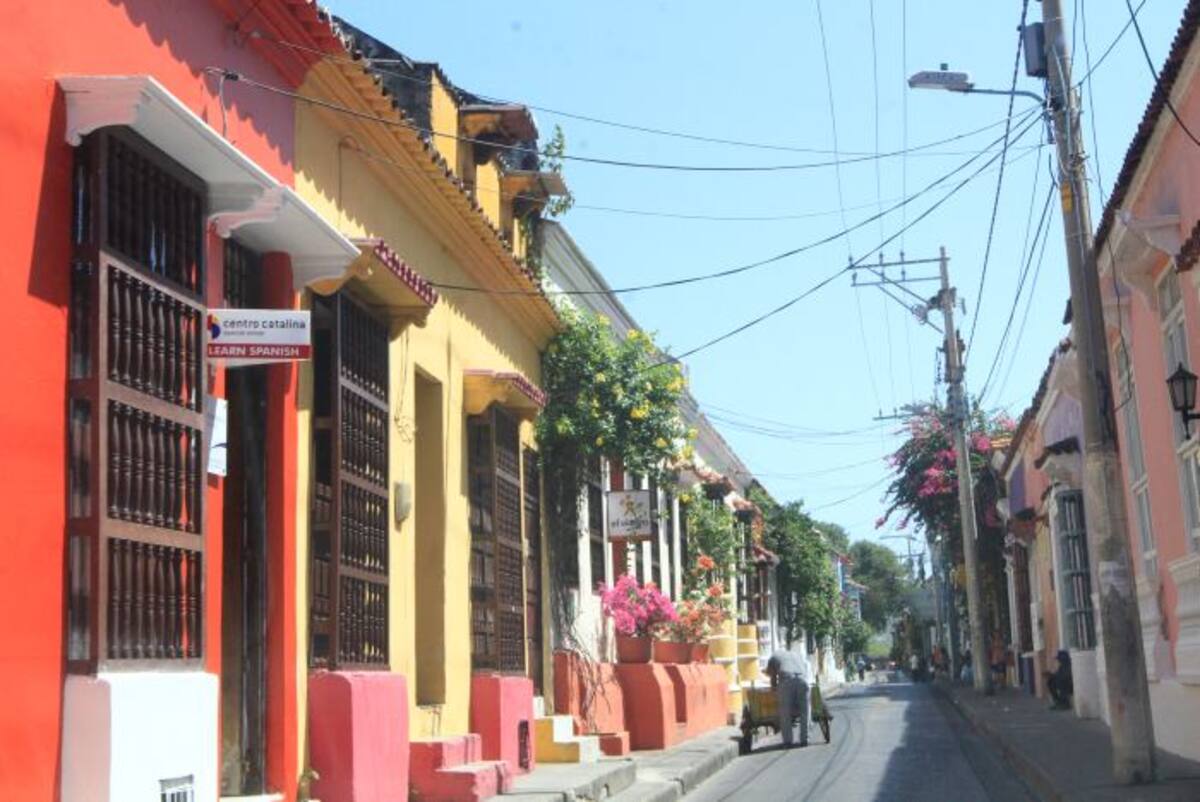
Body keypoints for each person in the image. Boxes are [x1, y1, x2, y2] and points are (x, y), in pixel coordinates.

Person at [766, 648, 810, 748]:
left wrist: (774, 689)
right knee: (805, 711)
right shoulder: (796, 654)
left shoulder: (774, 657)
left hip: (786, 679)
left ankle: (788, 741)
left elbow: (772, 677)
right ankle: (805, 739)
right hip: (803, 679)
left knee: (785, 711)